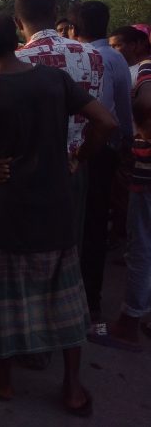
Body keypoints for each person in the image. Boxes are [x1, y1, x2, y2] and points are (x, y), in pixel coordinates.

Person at [0, 11, 117, 417]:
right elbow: (106, 121)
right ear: (15, 39)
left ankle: (4, 381)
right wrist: (80, 157)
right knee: (67, 298)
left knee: (9, 300)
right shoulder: (54, 80)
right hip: (57, 208)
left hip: (12, 210)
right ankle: (73, 389)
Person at [14, 0, 103, 247]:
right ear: (55, 12)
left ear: (17, 22)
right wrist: (81, 156)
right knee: (71, 246)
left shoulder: (16, 61)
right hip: (75, 165)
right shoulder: (91, 54)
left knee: (33, 250)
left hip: (32, 170)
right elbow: (99, 118)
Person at [68, 1, 134, 321]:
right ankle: (90, 301)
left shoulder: (74, 55)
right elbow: (123, 109)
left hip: (72, 151)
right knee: (95, 225)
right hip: (103, 149)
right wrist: (124, 144)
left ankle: (64, 298)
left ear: (74, 28)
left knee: (69, 223)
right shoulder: (115, 57)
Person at [88, 35, 151, 351]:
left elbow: (145, 104)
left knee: (142, 245)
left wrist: (142, 135)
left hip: (147, 170)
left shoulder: (146, 69)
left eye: (121, 44)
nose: (117, 50)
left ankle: (128, 325)